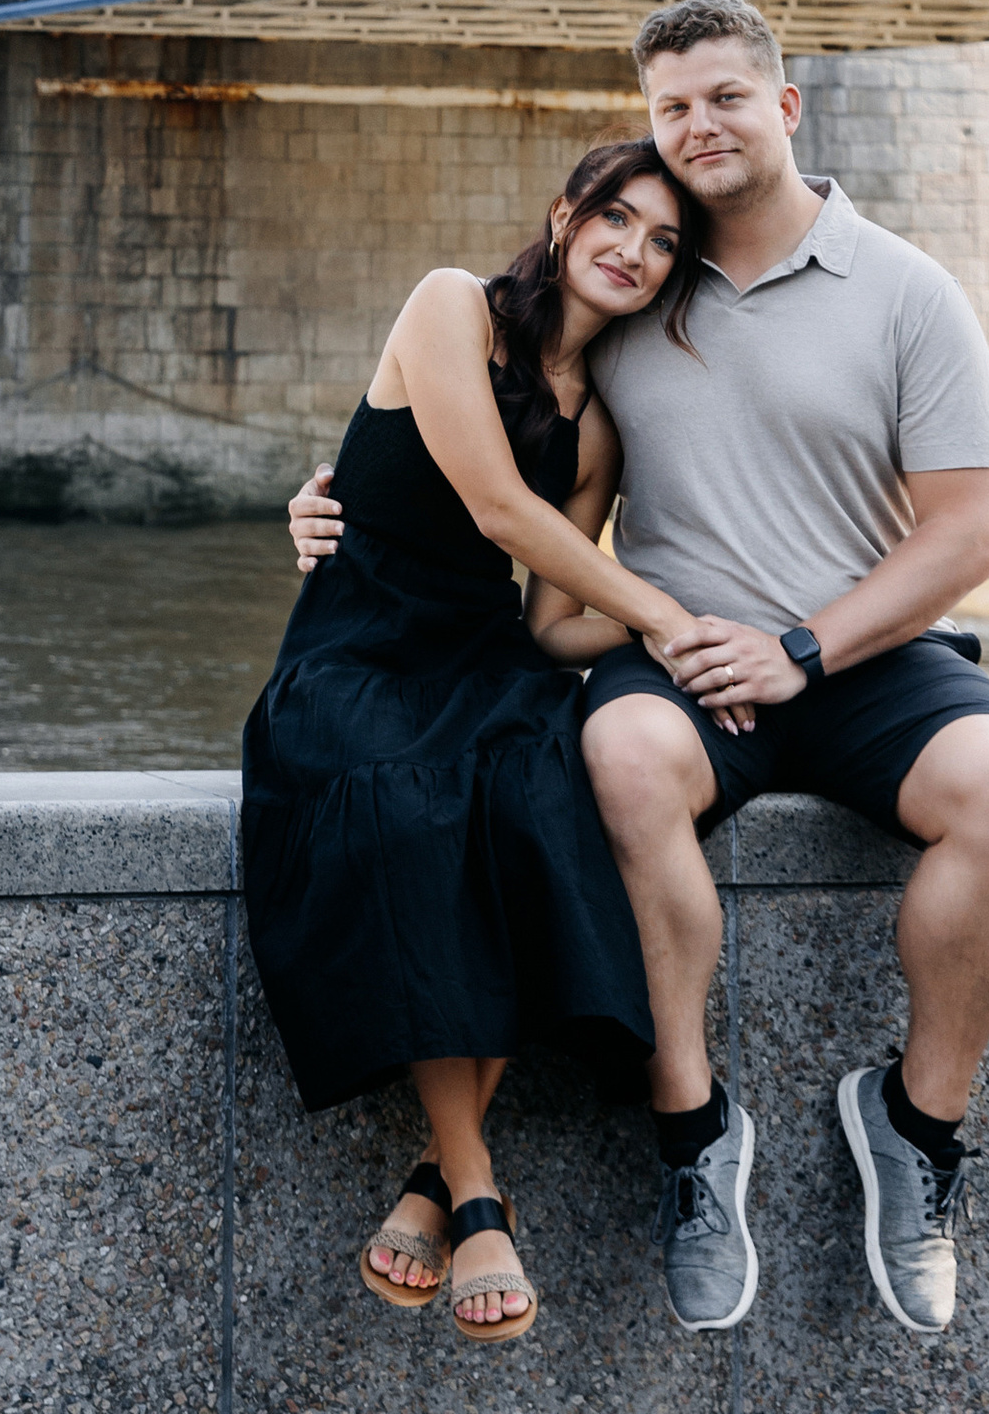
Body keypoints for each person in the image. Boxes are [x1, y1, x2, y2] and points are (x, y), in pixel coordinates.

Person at [289, 0, 989, 1344]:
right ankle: (694, 1130)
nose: (697, 127)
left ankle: (917, 1129)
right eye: (671, 107)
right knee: (612, 756)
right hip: (688, 669)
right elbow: (485, 438)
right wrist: (337, 500)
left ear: (786, 108)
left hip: (857, 653)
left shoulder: (906, 290)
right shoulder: (636, 292)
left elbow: (972, 534)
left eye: (725, 98)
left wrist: (806, 645)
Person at [242, 137, 736, 1351]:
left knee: (541, 795)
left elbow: (549, 617)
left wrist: (683, 648)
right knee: (409, 810)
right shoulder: (450, 303)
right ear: (567, 217)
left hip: (478, 658)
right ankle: (474, 1187)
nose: (633, 250)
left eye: (664, 241)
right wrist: (665, 615)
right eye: (616, 219)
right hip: (354, 654)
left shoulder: (600, 426)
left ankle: (435, 1177)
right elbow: (492, 509)